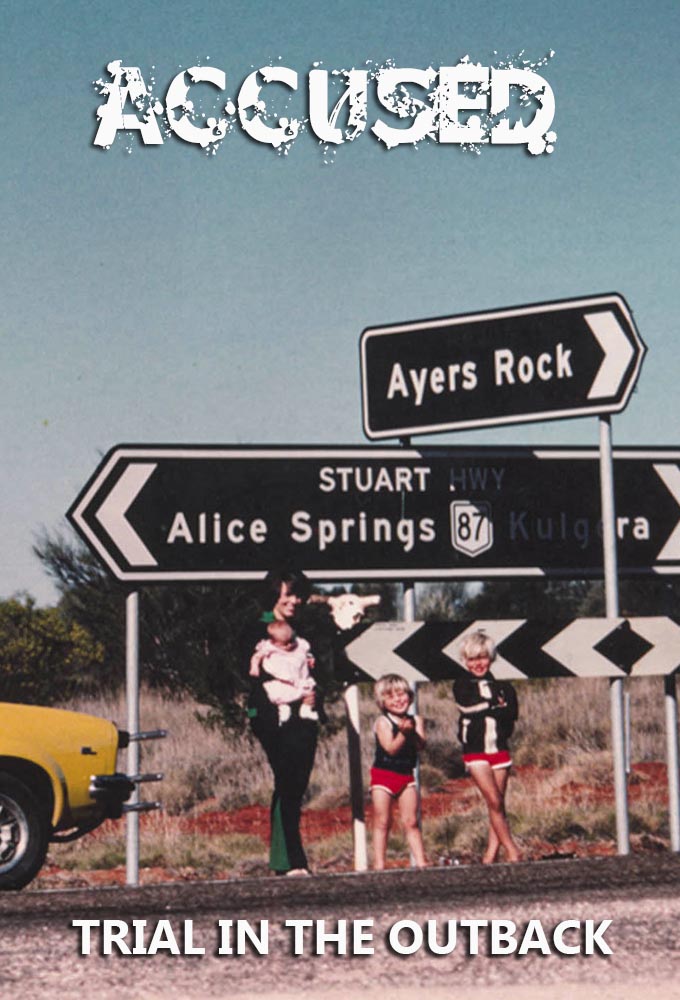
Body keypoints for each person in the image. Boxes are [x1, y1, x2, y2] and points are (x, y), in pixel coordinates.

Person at [243, 568, 318, 876]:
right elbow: (251, 674)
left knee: (295, 784)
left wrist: (313, 696)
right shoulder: (256, 630)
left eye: (298, 595)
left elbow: (314, 670)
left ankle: (282, 860)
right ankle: (293, 860)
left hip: (304, 713)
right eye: (288, 594)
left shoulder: (302, 632)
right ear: (275, 595)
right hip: (272, 714)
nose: (294, 601)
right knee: (287, 779)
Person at [453, 630, 521, 864]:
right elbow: (468, 707)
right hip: (475, 752)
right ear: (465, 661)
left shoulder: (504, 686)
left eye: (482, 657)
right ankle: (512, 850)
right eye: (472, 659)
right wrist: (494, 705)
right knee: (493, 800)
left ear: (491, 658)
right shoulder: (461, 684)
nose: (478, 663)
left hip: (500, 750)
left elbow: (511, 713)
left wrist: (492, 708)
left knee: (499, 802)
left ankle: (491, 854)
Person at [370, 673, 427, 870]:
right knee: (382, 820)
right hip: (383, 776)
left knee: (411, 821)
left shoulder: (416, 720)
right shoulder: (382, 722)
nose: (397, 700)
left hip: (406, 776)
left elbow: (420, 745)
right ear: (382, 702)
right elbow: (391, 748)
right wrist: (404, 733)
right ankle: (379, 865)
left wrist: (412, 732)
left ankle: (422, 862)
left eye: (401, 694)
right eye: (391, 696)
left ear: (409, 696)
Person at [249, 619, 318, 724]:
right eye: (285, 644)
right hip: (284, 679)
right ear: (273, 642)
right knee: (279, 694)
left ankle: (306, 709)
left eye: (291, 640)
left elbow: (307, 652)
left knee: (310, 692)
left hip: (299, 676)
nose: (290, 645)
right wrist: (254, 667)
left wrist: (310, 658)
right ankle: (283, 709)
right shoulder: (269, 646)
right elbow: (257, 656)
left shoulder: (299, 643)